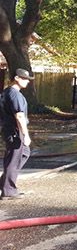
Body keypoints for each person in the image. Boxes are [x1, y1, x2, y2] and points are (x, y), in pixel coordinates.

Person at [0, 68, 34, 200]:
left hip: (8, 128)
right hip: (14, 129)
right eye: (24, 78)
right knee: (14, 158)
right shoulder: (14, 94)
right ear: (16, 78)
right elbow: (19, 115)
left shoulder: (6, 92)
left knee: (24, 153)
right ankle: (8, 191)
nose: (27, 81)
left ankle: (4, 183)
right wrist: (25, 134)